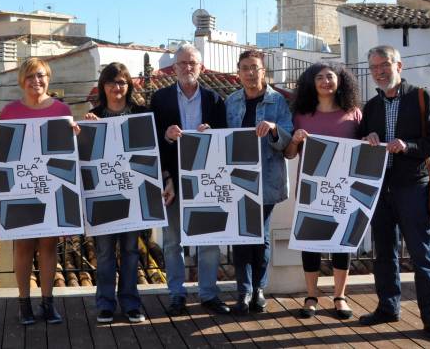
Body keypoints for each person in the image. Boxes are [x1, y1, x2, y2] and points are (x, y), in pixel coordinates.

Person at [358, 45, 430, 343]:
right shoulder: (371, 106)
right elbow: (362, 143)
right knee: (383, 254)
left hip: (414, 186)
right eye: (374, 67)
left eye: (384, 65)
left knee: (422, 256)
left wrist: (407, 146)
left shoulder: (422, 98)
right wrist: (367, 137)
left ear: (399, 65)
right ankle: (388, 307)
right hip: (380, 189)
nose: (379, 71)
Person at [150, 43, 229, 316]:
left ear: (201, 68)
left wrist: (212, 134)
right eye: (182, 63)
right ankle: (176, 295)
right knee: (172, 241)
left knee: (208, 239)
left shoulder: (215, 100)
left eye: (192, 63)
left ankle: (208, 294)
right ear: (174, 68)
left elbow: (226, 141)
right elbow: (151, 144)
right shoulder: (159, 99)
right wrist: (166, 137)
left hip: (207, 181)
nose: (187, 68)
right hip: (173, 180)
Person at [0, 57, 76, 325]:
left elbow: (69, 152)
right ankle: (24, 305)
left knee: (48, 245)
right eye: (31, 76)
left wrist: (76, 134)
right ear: (22, 80)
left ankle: (47, 303)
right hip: (21, 188)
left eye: (41, 75)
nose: (36, 81)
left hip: (52, 188)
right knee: (23, 246)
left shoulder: (62, 110)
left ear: (48, 78)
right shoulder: (9, 112)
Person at [284, 62, 362, 319]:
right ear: (311, 82)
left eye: (330, 76)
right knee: (311, 243)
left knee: (342, 243)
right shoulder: (301, 115)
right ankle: (311, 295)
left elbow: (363, 150)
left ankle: (339, 296)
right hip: (311, 191)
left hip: (345, 191)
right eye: (320, 77)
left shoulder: (354, 114)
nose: (325, 81)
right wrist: (295, 140)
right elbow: (289, 153)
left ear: (340, 81)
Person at [224, 49, 292, 315]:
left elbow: (287, 142)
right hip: (237, 181)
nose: (251, 73)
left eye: (255, 67)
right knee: (240, 237)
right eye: (245, 68)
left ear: (264, 71)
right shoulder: (230, 101)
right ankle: (244, 292)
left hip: (268, 179)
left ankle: (259, 289)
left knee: (260, 237)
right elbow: (222, 137)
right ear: (238, 72)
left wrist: (274, 129)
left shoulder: (278, 102)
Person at [84, 63, 148, 324]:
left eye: (121, 82)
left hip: (133, 193)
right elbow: (84, 157)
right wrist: (84, 130)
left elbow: (149, 157)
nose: (116, 87)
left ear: (129, 86)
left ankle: (131, 303)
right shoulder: (93, 116)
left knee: (132, 250)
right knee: (105, 252)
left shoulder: (141, 114)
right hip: (103, 195)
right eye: (111, 82)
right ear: (103, 86)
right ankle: (106, 304)